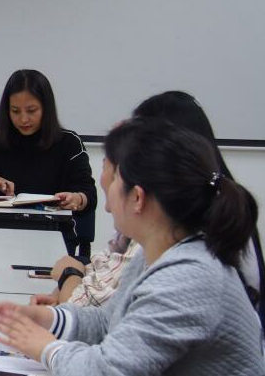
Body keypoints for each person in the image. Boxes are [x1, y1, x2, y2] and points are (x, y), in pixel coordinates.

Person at [0, 117, 265, 376]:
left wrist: (44, 347)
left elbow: (107, 371)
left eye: (115, 174)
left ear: (137, 198)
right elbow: (109, 323)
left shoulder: (188, 277)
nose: (105, 182)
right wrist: (48, 319)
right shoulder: (154, 253)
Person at [32, 90, 262, 310]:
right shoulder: (175, 221)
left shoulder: (178, 241)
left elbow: (102, 317)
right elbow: (106, 311)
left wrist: (69, 276)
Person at [0, 69, 96, 254]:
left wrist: (77, 198)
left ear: (46, 108)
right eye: (15, 111)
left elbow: (89, 194)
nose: (23, 119)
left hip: (53, 238)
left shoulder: (69, 143)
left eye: (31, 110)